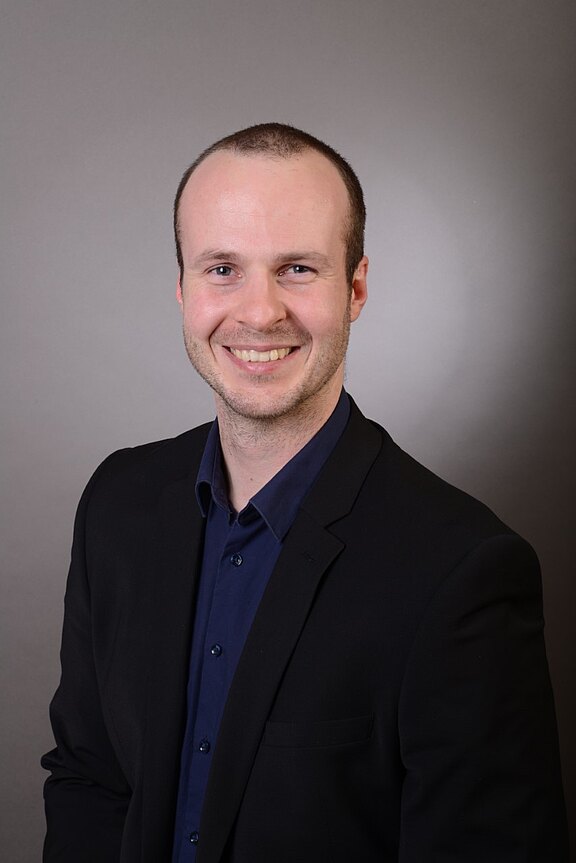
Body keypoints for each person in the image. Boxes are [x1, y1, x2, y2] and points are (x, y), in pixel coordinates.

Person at [42, 123, 568, 863]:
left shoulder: (463, 570)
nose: (259, 313)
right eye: (222, 268)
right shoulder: (116, 505)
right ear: (183, 288)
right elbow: (89, 780)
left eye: (296, 268)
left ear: (355, 288)